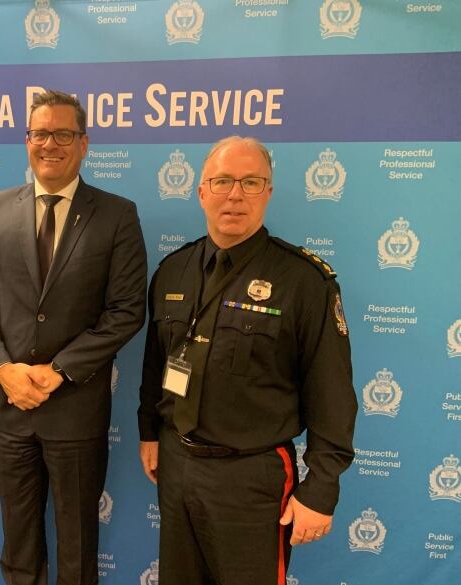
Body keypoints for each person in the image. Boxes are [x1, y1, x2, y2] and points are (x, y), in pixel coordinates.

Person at [138, 136, 357, 585]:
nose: (235, 194)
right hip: (177, 468)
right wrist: (149, 432)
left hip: (252, 479)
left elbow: (331, 391)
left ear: (269, 192)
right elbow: (156, 364)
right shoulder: (172, 270)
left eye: (251, 182)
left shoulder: (304, 281)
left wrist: (321, 487)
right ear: (201, 191)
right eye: (222, 181)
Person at [0, 90, 147, 585]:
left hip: (76, 411)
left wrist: (59, 371)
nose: (51, 144)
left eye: (63, 134)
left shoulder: (117, 215)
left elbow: (126, 311)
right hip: (9, 409)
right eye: (41, 133)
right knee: (18, 545)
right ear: (27, 140)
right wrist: (2, 370)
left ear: (84, 144)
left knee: (78, 546)